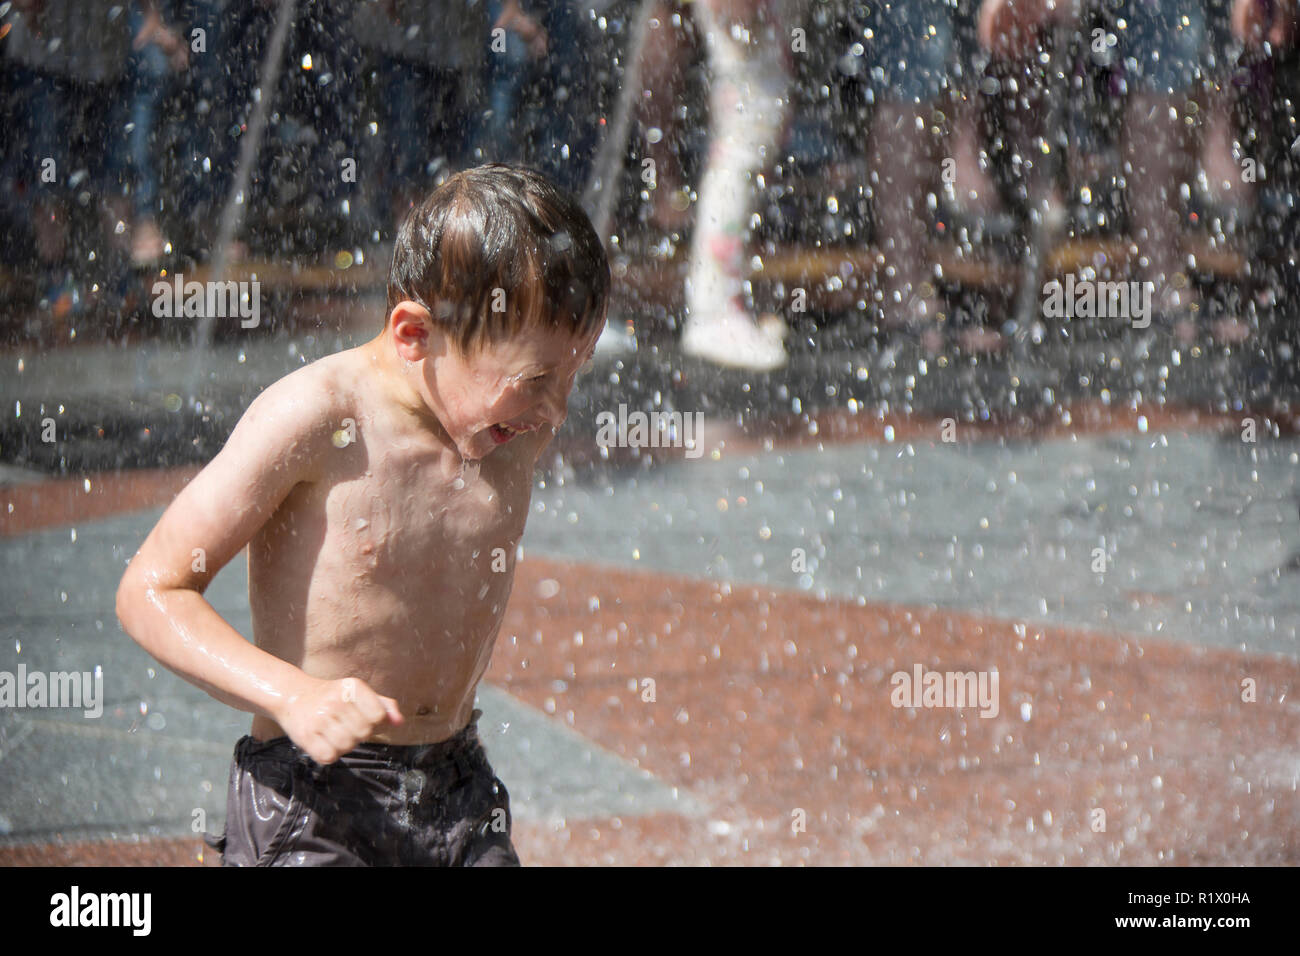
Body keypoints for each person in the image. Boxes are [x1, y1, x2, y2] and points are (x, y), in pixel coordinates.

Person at [115, 164, 610, 866]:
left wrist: (524, 391)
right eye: (534, 382)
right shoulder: (317, 417)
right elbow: (150, 590)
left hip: (457, 785)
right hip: (313, 795)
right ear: (414, 335)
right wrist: (293, 695)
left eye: (574, 374)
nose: (556, 411)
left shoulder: (510, 426)